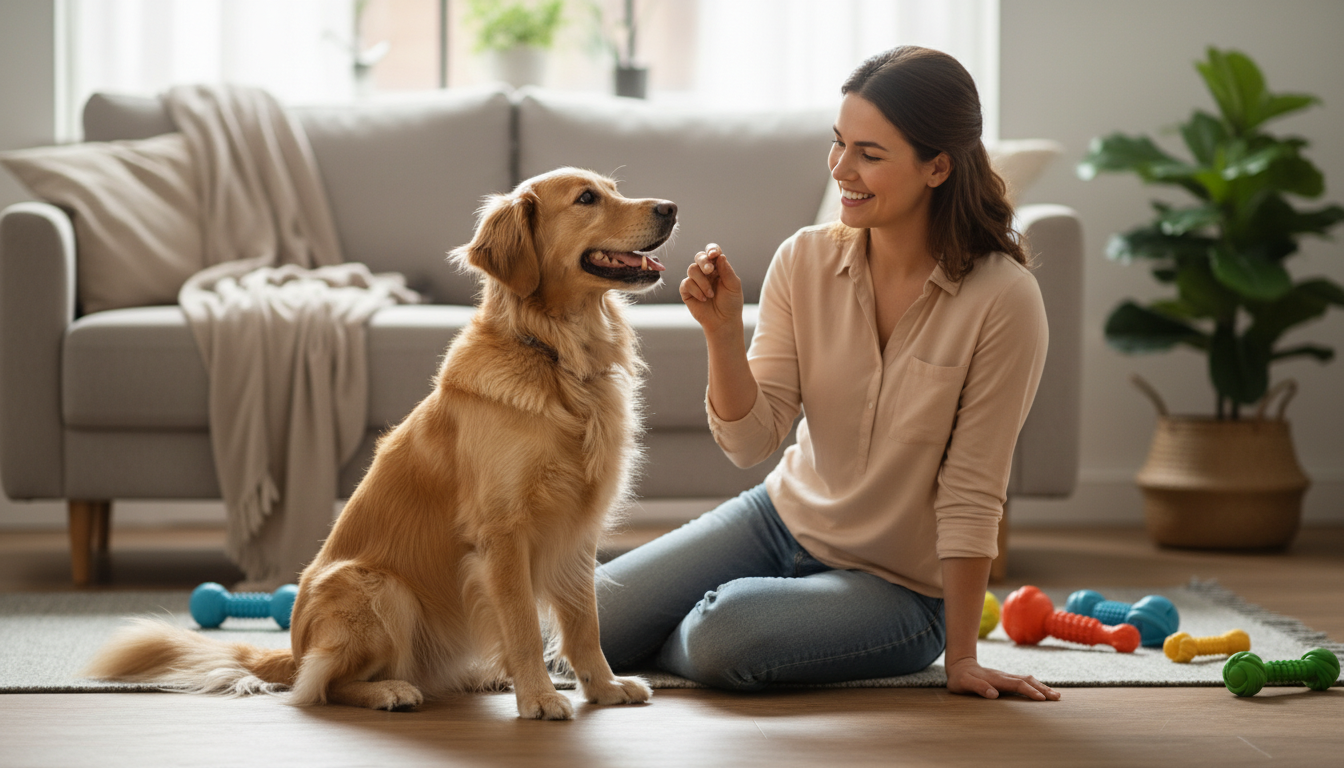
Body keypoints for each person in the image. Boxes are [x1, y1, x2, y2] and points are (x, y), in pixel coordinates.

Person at [595, 46, 1059, 701]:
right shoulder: (804, 260)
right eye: (838, 145)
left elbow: (974, 489)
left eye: (870, 154)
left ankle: (702, 626)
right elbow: (750, 444)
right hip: (778, 518)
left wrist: (962, 658)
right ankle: (679, 626)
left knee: (723, 637)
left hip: (898, 587)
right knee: (588, 616)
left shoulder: (1003, 299)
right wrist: (724, 336)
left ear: (938, 167)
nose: (842, 169)